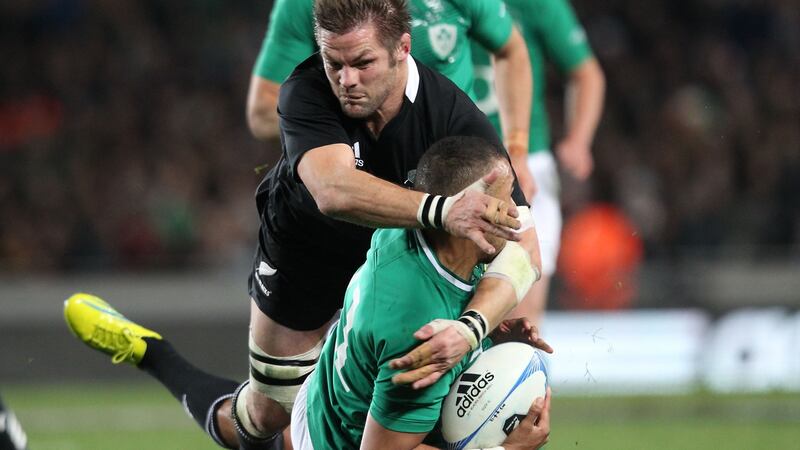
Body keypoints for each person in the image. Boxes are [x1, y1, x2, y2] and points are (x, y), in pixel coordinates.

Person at [65, 1, 543, 449]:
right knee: (265, 416)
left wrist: (475, 325)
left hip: (395, 266)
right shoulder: (305, 89)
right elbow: (334, 191)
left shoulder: (451, 115)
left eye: (362, 62)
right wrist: (442, 209)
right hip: (307, 252)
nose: (346, 79)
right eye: (335, 63)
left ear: (403, 48)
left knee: (419, 389)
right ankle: (153, 354)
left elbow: (527, 247)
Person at [290, 135, 551, 450]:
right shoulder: (421, 335)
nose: (514, 211)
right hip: (338, 441)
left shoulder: (407, 230)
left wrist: (486, 334)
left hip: (328, 398)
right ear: (470, 215)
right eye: (505, 199)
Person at [247, 0, 532, 170]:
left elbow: (511, 50)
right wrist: (342, 136)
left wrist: (517, 150)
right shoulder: (308, 5)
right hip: (361, 179)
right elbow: (262, 113)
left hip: (456, 167)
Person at [471, 0, 606, 325]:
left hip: (527, 163)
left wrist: (579, 140)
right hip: (456, 162)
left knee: (522, 317)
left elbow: (586, 73)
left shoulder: (537, 4)